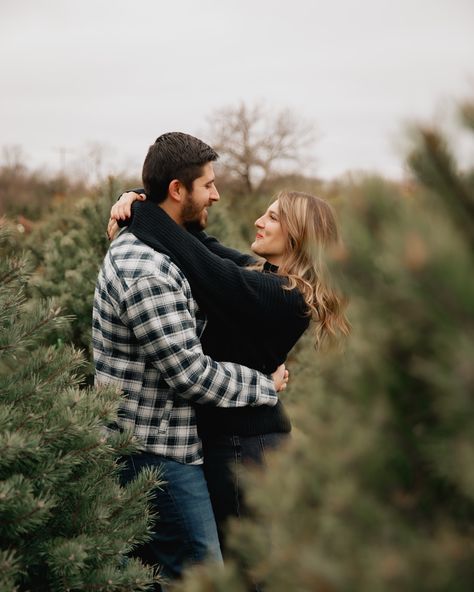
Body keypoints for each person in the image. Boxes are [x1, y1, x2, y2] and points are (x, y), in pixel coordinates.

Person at [92, 132, 289, 590]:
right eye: (208, 185)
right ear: (178, 190)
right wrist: (263, 384)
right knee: (199, 575)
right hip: (156, 451)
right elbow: (190, 374)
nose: (217, 194)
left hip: (169, 443)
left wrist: (137, 204)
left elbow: (221, 263)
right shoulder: (146, 270)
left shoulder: (165, 247)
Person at [109, 182, 350, 554]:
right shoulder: (261, 276)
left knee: (247, 570)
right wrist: (142, 195)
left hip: (246, 449)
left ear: (298, 236)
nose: (258, 221)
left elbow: (194, 257)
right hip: (235, 441)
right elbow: (202, 242)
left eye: (272, 217)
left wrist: (137, 211)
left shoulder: (280, 297)